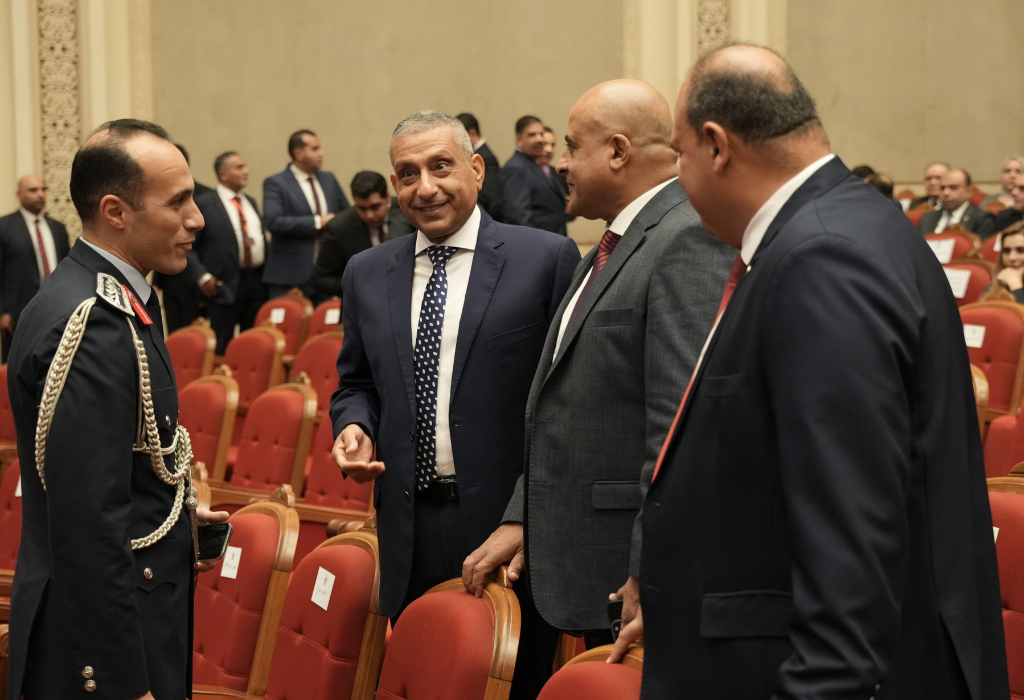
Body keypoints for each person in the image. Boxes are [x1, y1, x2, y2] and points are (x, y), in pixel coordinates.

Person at [617, 44, 1009, 700]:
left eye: (680, 155)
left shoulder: (821, 258)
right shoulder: (837, 229)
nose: (680, 177)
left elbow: (849, 545)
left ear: (717, 146)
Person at [464, 80, 734, 651]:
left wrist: (654, 567)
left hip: (635, 579)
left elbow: (683, 432)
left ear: (617, 151)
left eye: (570, 146)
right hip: (590, 558)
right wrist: (524, 516)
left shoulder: (687, 238)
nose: (559, 163)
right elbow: (570, 410)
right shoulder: (613, 245)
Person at [330, 111, 580, 698]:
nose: (425, 187)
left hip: (509, 531)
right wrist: (354, 425)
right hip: (409, 528)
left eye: (441, 167)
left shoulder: (545, 258)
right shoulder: (366, 272)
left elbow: (569, 404)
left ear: (476, 169)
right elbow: (355, 383)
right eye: (407, 173)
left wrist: (527, 514)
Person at [5, 119, 229, 700]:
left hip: (123, 607)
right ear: (116, 211)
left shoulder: (101, 295)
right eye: (177, 202)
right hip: (103, 649)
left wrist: (173, 519)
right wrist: (124, 683)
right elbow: (87, 520)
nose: (197, 219)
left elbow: (119, 470)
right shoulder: (95, 323)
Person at [186, 151, 269, 354]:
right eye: (239, 167)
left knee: (252, 345)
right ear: (223, 174)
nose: (246, 171)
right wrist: (203, 277)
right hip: (223, 286)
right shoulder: (205, 203)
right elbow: (188, 247)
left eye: (245, 166)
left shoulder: (250, 201)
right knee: (221, 347)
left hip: (255, 283)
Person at [262, 129, 349, 300]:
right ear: (299, 154)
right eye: (315, 149)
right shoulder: (276, 183)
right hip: (290, 276)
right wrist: (317, 222)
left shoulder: (329, 179)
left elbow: (346, 214)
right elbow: (273, 221)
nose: (321, 153)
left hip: (327, 273)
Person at [311, 170, 415, 300]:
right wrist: (361, 288)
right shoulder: (339, 227)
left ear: (387, 197)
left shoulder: (409, 212)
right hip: (361, 304)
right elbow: (319, 279)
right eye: (362, 208)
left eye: (375, 207)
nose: (369, 215)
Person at [0, 174, 69, 362]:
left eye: (43, 189)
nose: (40, 194)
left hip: (57, 311)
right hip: (16, 316)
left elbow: (67, 268)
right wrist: (2, 312)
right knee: (18, 366)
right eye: (33, 190)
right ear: (19, 194)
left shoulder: (58, 228)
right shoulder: (4, 227)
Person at [152, 145, 212, 334]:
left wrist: (202, 276)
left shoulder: (206, 195)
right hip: (169, 280)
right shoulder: (157, 194)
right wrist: (156, 279)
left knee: (193, 336)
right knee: (173, 334)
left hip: (193, 280)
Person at [502, 116, 569, 235]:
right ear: (519, 140)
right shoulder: (516, 168)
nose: (539, 139)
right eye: (532, 135)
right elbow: (519, 217)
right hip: (540, 242)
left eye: (541, 134)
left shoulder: (535, 165)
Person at [917, 168, 996, 237]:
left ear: (969, 191)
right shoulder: (927, 218)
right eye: (942, 188)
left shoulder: (982, 218)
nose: (946, 193)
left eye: (953, 187)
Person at [457, 113, 504, 222]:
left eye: (460, 137)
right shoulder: (478, 154)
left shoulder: (486, 157)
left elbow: (491, 197)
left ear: (472, 133)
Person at [986, 222, 1024, 303]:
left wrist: (1015, 285)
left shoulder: (1012, 282)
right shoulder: (999, 282)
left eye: (1021, 250)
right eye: (1007, 251)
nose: (1011, 258)